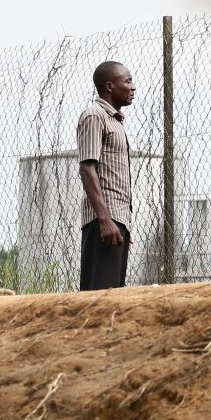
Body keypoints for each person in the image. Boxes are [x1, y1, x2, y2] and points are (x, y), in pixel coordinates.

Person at [77, 61, 136, 290]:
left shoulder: (116, 121)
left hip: (116, 222)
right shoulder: (95, 116)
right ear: (110, 86)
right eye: (127, 81)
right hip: (104, 222)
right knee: (99, 297)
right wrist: (105, 220)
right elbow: (87, 168)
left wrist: (122, 225)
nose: (133, 87)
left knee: (113, 298)